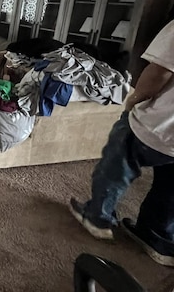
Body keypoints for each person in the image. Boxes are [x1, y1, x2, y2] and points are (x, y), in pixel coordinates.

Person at [69, 19, 174, 266]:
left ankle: (98, 217)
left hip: (155, 125)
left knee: (116, 166)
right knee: (170, 189)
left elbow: (159, 72)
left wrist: (133, 100)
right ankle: (158, 237)